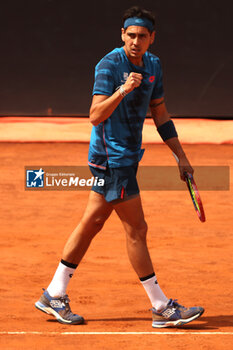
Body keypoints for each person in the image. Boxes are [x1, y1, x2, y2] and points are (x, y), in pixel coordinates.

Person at [35, 6, 204, 328]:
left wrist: (180, 156)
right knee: (136, 230)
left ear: (152, 38)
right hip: (112, 161)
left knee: (92, 221)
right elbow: (95, 115)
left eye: (142, 36)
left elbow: (161, 114)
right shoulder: (110, 65)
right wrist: (124, 89)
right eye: (130, 35)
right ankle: (161, 307)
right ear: (122, 35)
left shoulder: (154, 65)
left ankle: (53, 294)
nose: (135, 41)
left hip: (127, 157)